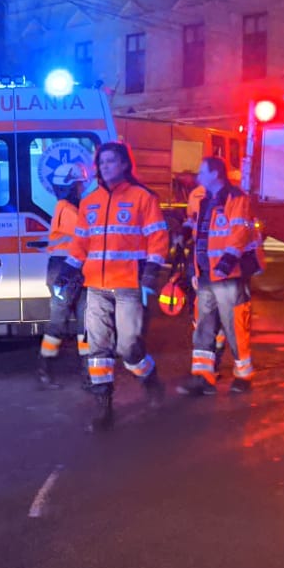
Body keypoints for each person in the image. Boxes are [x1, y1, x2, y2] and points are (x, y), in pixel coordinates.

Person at [59, 142, 169, 431]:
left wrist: (151, 271)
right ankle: (104, 408)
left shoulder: (142, 198)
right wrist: (67, 269)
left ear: (124, 164)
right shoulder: (89, 202)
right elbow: (81, 242)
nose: (104, 166)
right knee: (98, 348)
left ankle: (150, 379)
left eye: (110, 161)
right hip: (96, 287)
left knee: (129, 348)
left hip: (128, 286)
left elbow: (158, 238)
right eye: (101, 162)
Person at [175, 155, 260, 396]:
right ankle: (203, 377)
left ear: (214, 174)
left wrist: (226, 262)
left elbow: (239, 233)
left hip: (228, 275)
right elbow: (200, 233)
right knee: (204, 327)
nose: (198, 176)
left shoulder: (235, 198)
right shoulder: (204, 200)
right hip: (207, 275)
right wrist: (184, 237)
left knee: (235, 327)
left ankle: (243, 376)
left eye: (202, 172)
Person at [36, 163, 90, 388]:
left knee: (85, 325)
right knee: (60, 323)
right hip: (65, 270)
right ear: (71, 186)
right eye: (80, 184)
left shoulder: (66, 208)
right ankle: (46, 370)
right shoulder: (68, 210)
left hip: (72, 269)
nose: (82, 188)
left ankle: (88, 373)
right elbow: (87, 236)